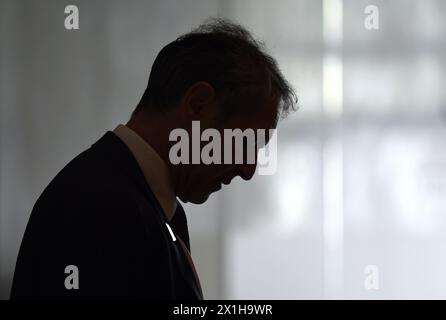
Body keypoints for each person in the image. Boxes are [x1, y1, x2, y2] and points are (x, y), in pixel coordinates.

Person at [10, 18, 296, 300]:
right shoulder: (101, 207)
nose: (248, 170)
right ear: (198, 105)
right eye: (246, 143)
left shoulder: (136, 201)